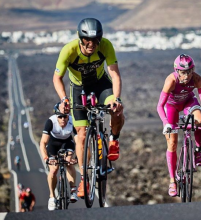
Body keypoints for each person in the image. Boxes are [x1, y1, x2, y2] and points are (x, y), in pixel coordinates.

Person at [53, 18, 124, 198]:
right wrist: (63, 99)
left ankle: (114, 139)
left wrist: (115, 99)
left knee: (117, 108)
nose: (91, 44)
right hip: (78, 89)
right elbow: (57, 78)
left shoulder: (106, 46)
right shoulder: (69, 50)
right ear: (80, 38)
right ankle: (84, 178)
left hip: (101, 85)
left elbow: (114, 75)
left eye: (95, 40)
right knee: (81, 135)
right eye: (87, 41)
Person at [157, 54, 201, 197]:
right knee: (172, 142)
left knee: (199, 119)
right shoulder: (171, 81)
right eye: (183, 72)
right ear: (177, 71)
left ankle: (197, 150)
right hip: (171, 106)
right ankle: (172, 181)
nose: (187, 75)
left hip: (188, 102)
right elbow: (160, 105)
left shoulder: (197, 79)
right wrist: (166, 124)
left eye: (190, 71)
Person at [40, 103, 79, 211]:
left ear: (68, 116)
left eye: (65, 116)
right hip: (53, 145)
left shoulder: (72, 121)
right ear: (56, 116)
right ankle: (52, 197)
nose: (62, 119)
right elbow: (43, 142)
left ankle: (72, 191)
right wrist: (46, 158)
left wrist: (76, 157)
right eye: (60, 116)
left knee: (69, 162)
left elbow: (78, 142)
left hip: (67, 143)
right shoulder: (50, 122)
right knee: (53, 170)